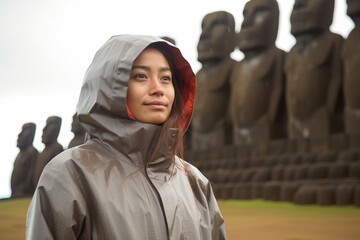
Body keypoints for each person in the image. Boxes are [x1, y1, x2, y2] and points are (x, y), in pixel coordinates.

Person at [26, 35, 226, 239]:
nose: (158, 89)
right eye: (141, 76)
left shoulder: (195, 183)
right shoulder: (70, 175)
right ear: (110, 86)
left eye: (166, 78)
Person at [230, 0, 287, 156]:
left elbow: (278, 88)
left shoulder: (277, 56)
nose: (246, 22)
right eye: (245, 15)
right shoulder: (238, 66)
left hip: (267, 130)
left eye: (259, 12)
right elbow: (235, 92)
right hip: (237, 132)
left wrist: (271, 115)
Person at [190, 11, 236, 151]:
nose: (204, 35)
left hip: (224, 138)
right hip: (197, 139)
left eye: (216, 25)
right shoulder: (197, 75)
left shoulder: (233, 67)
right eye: (203, 27)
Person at [32, 116, 63, 190]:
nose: (44, 129)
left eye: (50, 124)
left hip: (49, 190)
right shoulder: (40, 153)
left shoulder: (57, 148)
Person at [10, 122, 38, 198]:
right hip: (15, 193)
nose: (19, 135)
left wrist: (26, 187)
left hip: (25, 194)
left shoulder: (32, 152)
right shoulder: (19, 155)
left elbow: (32, 171)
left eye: (24, 131)